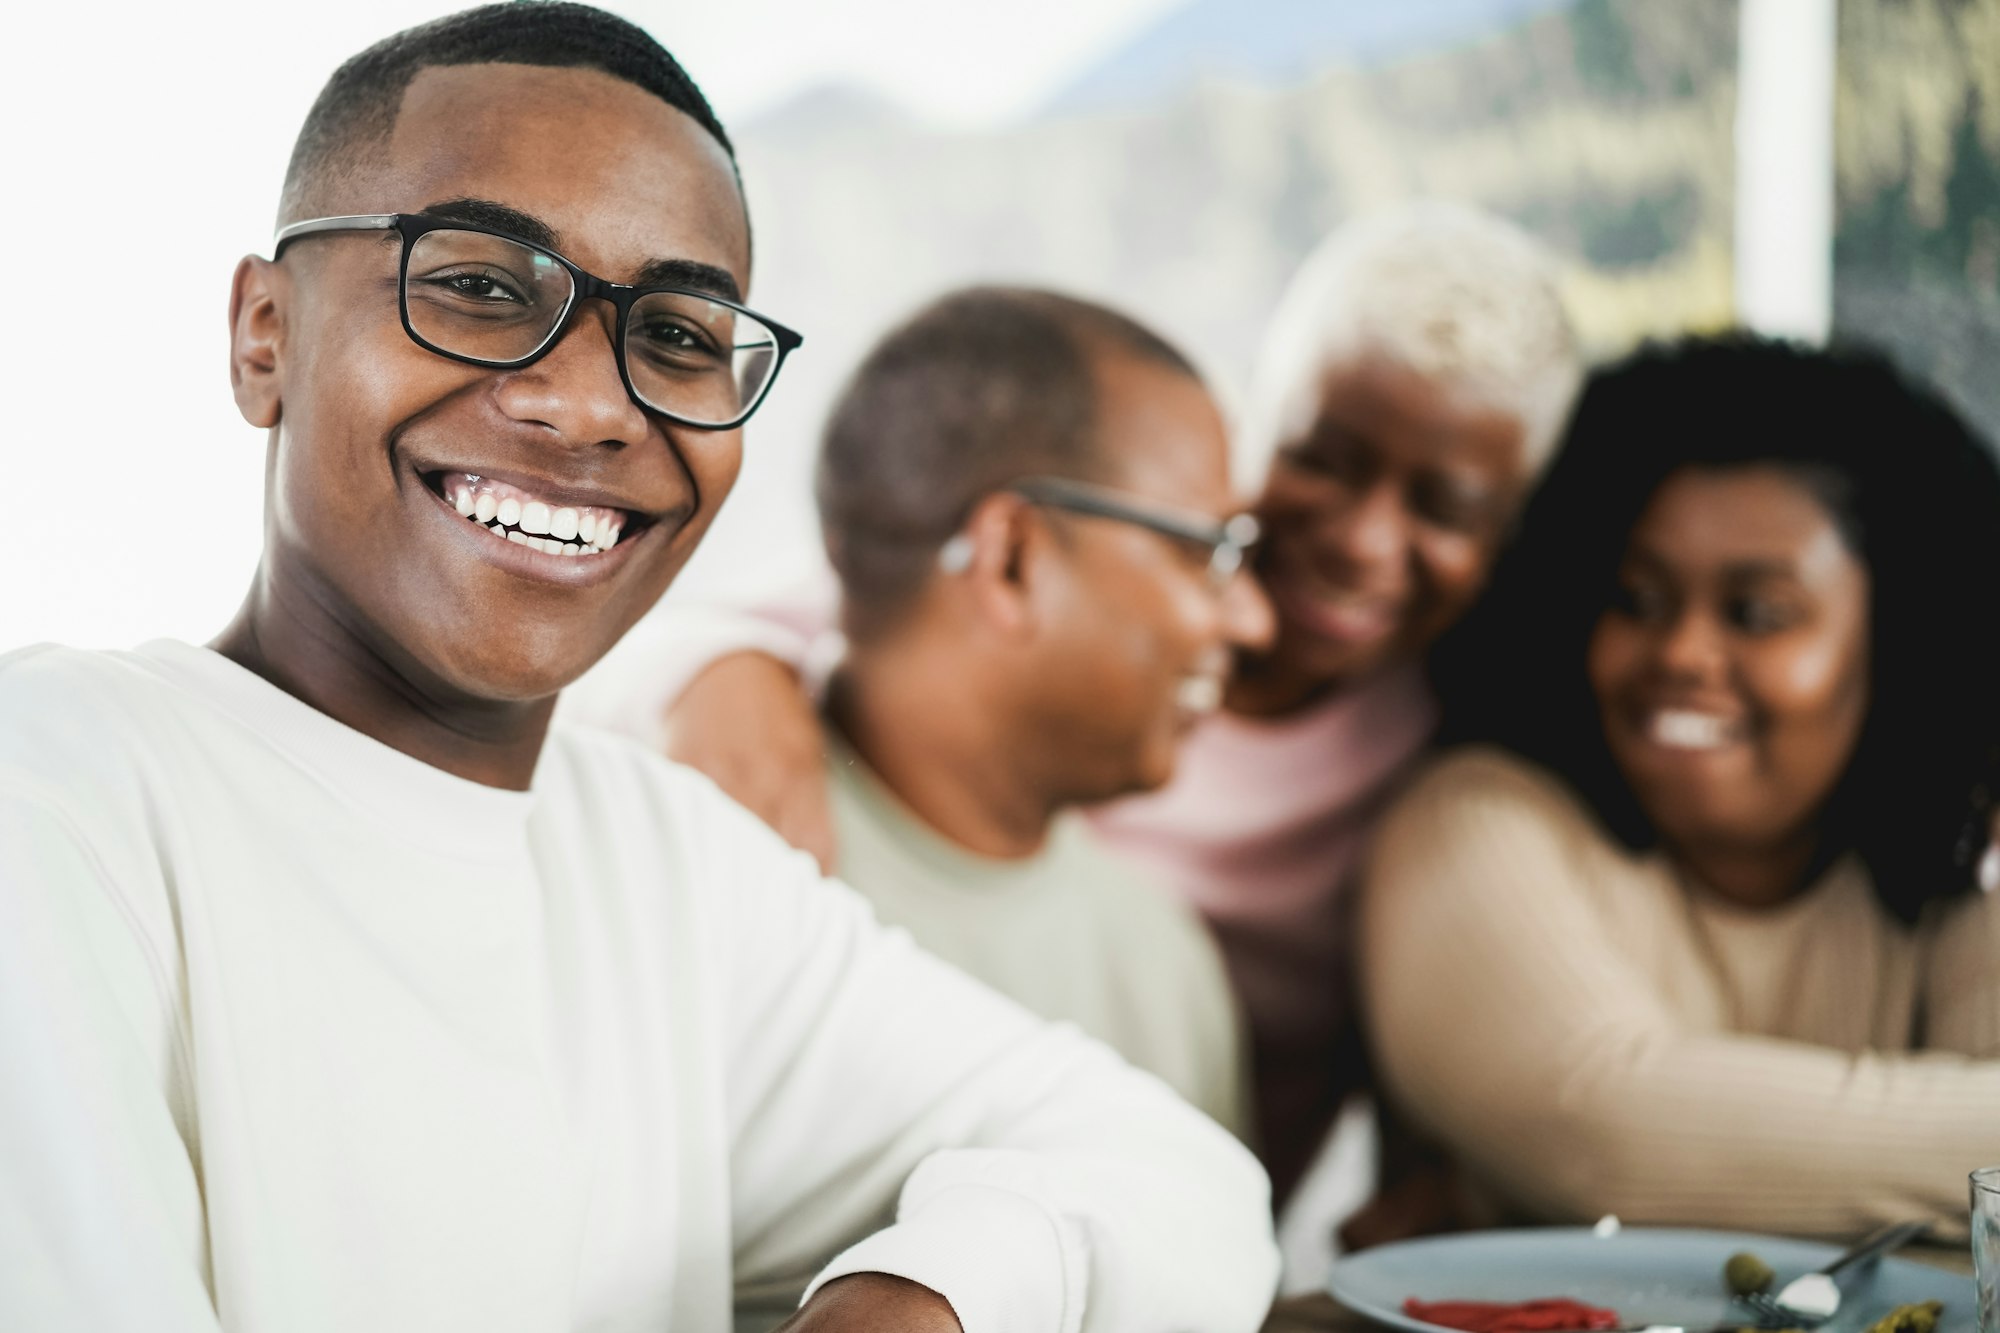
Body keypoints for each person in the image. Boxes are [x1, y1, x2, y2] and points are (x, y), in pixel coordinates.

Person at [0, 6, 1281, 1332]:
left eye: (676, 334)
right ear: (265, 334)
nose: (594, 404)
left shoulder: (664, 864)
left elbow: (1179, 1180)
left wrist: (941, 1290)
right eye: (483, 287)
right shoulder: (59, 797)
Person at [602, 206, 1583, 1206]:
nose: (1363, 542)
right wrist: (714, 669)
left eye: (1443, 507)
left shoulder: (1437, 754)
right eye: (1322, 460)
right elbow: (840, 585)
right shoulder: (992, 590)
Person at [1360, 335, 2000, 1239]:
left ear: (1899, 637)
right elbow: (1605, 1136)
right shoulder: (1474, 821)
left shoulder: (1965, 845)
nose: (1681, 654)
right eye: (1637, 599)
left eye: (1757, 614)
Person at [788, 286, 1267, 1130]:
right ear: (1012, 559)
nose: (1252, 619)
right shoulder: (717, 887)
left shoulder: (1162, 961)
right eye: (1206, 552)